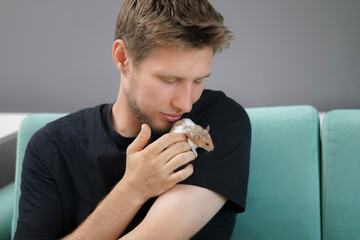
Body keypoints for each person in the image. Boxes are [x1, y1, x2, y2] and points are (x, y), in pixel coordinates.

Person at [15, 0, 251, 239]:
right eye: (170, 80)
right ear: (122, 58)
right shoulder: (51, 147)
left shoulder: (221, 121)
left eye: (199, 80)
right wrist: (132, 190)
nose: (186, 104)